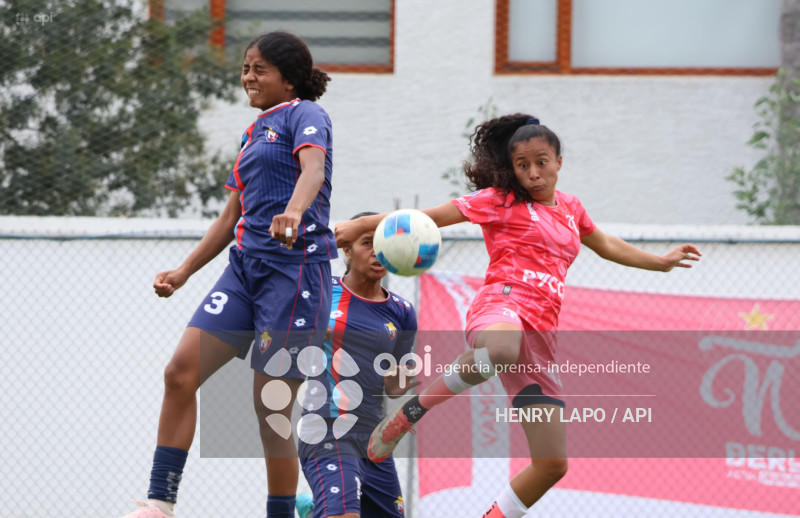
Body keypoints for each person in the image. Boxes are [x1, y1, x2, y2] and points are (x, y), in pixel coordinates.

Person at [334, 114, 702, 518]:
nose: (532, 173)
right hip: (501, 305)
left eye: (541, 162)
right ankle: (413, 410)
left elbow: (608, 244)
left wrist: (661, 263)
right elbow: (426, 219)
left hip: (541, 338)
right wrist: (359, 225)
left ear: (559, 161)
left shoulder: (572, 209)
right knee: (502, 349)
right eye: (522, 165)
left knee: (552, 464)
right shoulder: (500, 200)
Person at [120, 31, 335, 518]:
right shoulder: (253, 131)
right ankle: (160, 502)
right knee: (179, 374)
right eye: (245, 68)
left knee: (272, 407)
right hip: (244, 271)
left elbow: (313, 172)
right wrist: (183, 272)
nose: (248, 77)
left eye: (259, 69)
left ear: (289, 78)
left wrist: (295, 212)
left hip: (296, 274)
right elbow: (228, 218)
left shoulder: (307, 114)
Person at [295, 212, 419, 518]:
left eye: (384, 244)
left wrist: (398, 384)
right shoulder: (322, 292)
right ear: (346, 250)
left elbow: (392, 383)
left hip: (375, 438)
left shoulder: (402, 312)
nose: (378, 252)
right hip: (327, 428)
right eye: (368, 243)